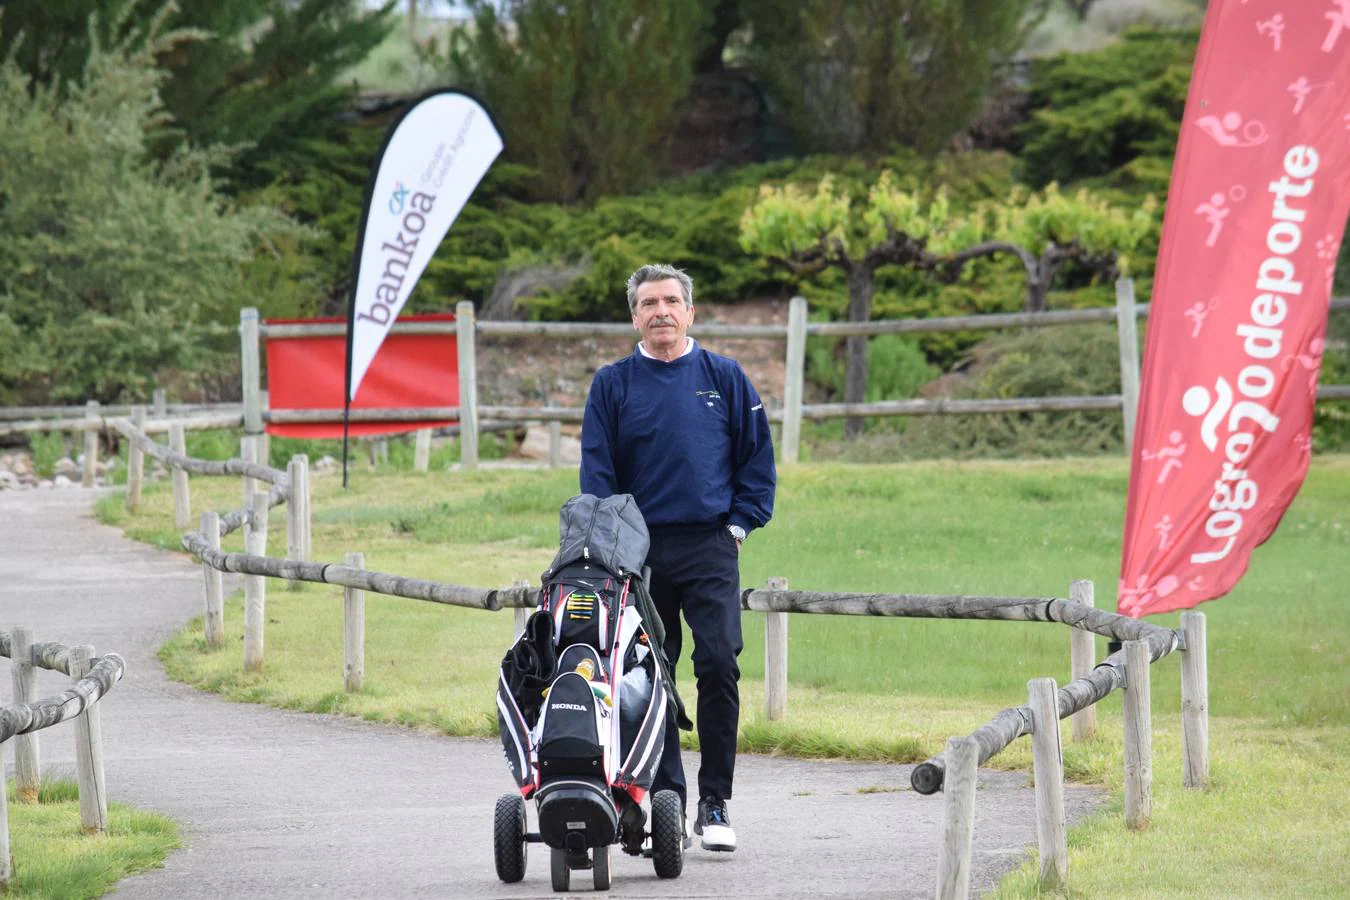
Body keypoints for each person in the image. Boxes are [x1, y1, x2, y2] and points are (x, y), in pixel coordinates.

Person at [580, 263, 776, 853]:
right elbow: (597, 477)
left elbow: (756, 463)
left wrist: (739, 526)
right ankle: (660, 802)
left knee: (718, 664)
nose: (660, 311)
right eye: (648, 303)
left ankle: (715, 803)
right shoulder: (612, 386)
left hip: (711, 544)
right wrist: (614, 548)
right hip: (637, 555)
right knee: (646, 676)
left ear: (690, 311)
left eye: (671, 301)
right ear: (634, 316)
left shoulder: (725, 377)